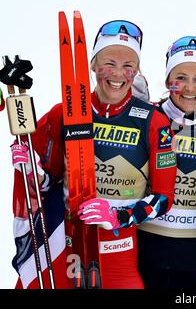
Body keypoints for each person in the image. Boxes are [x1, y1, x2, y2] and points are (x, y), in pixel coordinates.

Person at [10, 20, 177, 289]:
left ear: (136, 71)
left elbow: (163, 200)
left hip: (119, 252)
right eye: (109, 63)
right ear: (93, 65)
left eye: (128, 66)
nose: (118, 74)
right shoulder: (63, 113)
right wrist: (30, 169)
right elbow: (44, 184)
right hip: (68, 246)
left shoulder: (152, 121)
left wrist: (118, 215)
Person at [136, 35, 196, 289]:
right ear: (169, 80)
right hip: (149, 247)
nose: (189, 89)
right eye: (180, 78)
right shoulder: (149, 117)